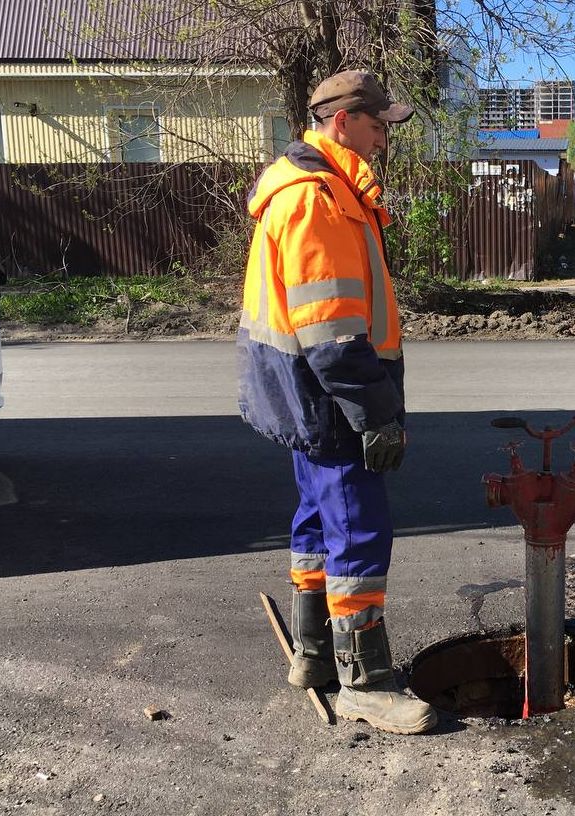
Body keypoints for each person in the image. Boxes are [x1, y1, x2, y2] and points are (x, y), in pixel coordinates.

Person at [237, 70, 437, 735]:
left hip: (308, 396)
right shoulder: (319, 199)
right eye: (379, 124)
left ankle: (315, 656)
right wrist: (376, 411)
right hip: (332, 395)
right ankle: (367, 682)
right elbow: (330, 331)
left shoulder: (318, 190)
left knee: (317, 520)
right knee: (357, 529)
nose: (384, 138)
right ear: (344, 121)